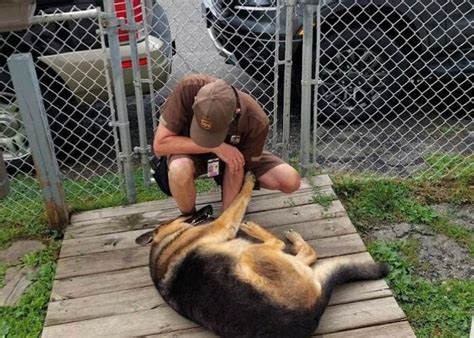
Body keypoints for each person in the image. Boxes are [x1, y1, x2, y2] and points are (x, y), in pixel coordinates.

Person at [152, 73, 301, 215]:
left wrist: (226, 218)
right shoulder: (188, 87)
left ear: (235, 113)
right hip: (193, 153)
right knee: (179, 168)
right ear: (195, 100)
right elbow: (160, 145)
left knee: (290, 180)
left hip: (234, 156)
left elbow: (237, 165)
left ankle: (232, 200)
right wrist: (217, 146)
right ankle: (190, 216)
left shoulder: (256, 119)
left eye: (213, 134)